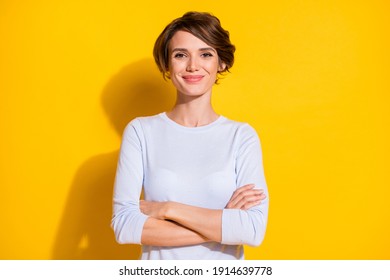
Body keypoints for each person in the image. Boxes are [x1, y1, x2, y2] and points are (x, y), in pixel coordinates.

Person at [111, 11, 269, 260]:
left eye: (205, 54)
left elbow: (253, 230)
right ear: (167, 64)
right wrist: (224, 222)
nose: (193, 65)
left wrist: (167, 209)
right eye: (181, 55)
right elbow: (125, 227)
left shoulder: (241, 137)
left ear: (222, 63)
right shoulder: (141, 132)